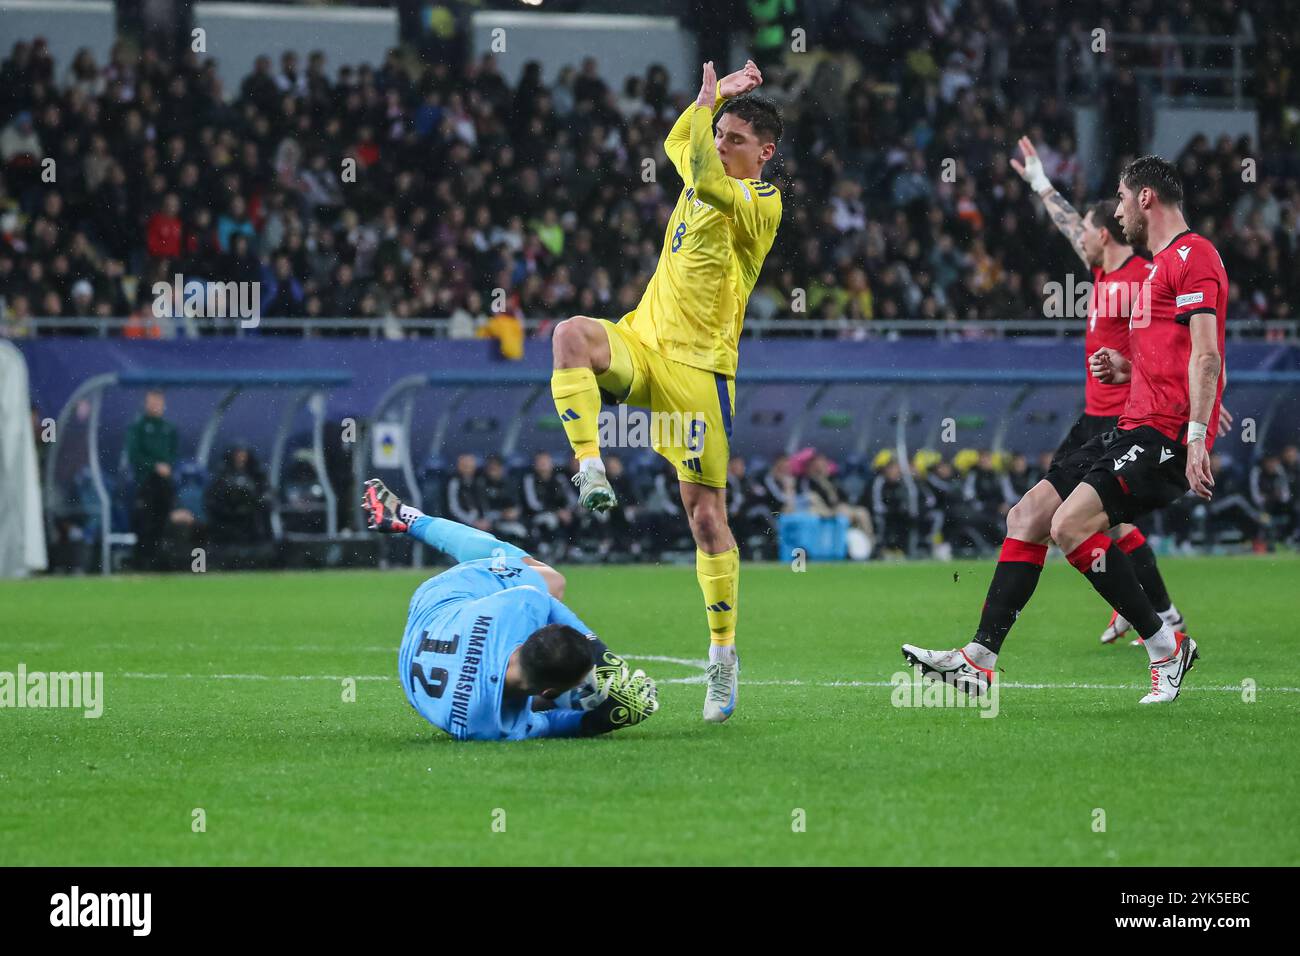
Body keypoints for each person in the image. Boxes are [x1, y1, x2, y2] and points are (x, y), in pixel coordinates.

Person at [904, 154, 1228, 705]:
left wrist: (1197, 431)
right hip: (1126, 425)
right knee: (1027, 515)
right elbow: (1169, 358)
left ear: (1145, 197)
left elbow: (1206, 352)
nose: (1117, 208)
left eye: (1123, 196)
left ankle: (1165, 643)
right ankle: (977, 662)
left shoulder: (1193, 256)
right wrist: (1123, 369)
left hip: (1163, 436)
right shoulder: (1152, 270)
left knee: (1071, 526)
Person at [547, 60, 781, 721]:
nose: (722, 145)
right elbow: (679, 142)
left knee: (706, 519)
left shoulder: (760, 205)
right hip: (643, 342)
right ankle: (589, 467)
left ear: (764, 153)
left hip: (699, 375)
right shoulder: (706, 150)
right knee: (570, 335)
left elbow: (699, 167)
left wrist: (709, 119)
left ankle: (723, 659)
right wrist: (713, 100)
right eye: (723, 134)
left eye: (736, 139)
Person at [1009, 136, 1194, 647]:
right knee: (1102, 526)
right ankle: (1154, 614)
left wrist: (1205, 400)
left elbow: (1186, 339)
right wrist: (1040, 183)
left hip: (1125, 420)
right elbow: (1068, 224)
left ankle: (1159, 618)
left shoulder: (1140, 277)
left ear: (1107, 235)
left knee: (1092, 523)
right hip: (1094, 416)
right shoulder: (1102, 271)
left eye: (1091, 230)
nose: (1081, 237)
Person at [361, 479, 657, 741]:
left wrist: (603, 659)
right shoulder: (493, 726)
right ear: (547, 693)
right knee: (552, 582)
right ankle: (407, 518)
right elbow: (550, 723)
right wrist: (606, 717)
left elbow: (545, 603)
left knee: (547, 581)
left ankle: (408, 518)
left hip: (439, 602)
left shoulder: (512, 614)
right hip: (419, 666)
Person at [125, 389, 178, 571]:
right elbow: (134, 455)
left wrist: (167, 467)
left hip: (164, 484)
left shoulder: (169, 428)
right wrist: (154, 466)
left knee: (163, 523)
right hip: (144, 483)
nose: (155, 406)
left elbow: (174, 454)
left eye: (158, 402)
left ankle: (161, 563)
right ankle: (141, 563)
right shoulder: (138, 427)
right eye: (152, 402)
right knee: (144, 523)